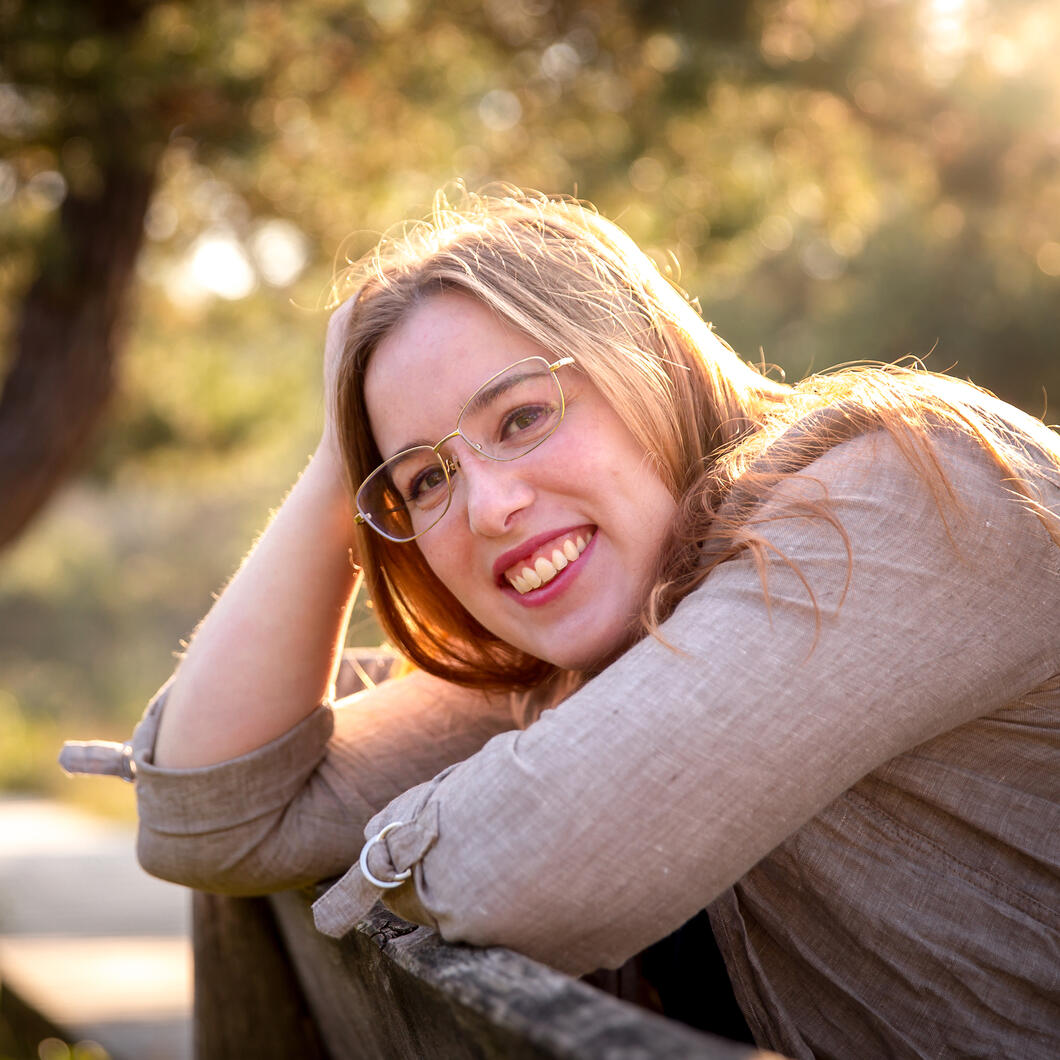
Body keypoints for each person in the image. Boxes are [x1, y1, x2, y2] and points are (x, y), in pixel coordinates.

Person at [62, 188, 1060, 1059]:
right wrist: (338, 457)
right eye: (425, 479)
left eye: (522, 416)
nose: (489, 507)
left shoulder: (909, 494)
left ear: (651, 364)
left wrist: (492, 766)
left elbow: (516, 866)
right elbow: (207, 813)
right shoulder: (608, 650)